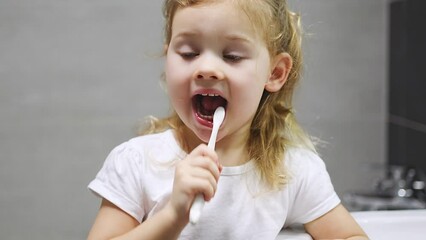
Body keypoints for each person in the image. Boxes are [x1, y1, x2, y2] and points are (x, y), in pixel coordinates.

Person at [87, 0, 368, 239]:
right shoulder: (136, 163)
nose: (206, 69)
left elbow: (350, 235)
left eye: (232, 56)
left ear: (275, 73)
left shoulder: (293, 171)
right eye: (189, 53)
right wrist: (173, 215)